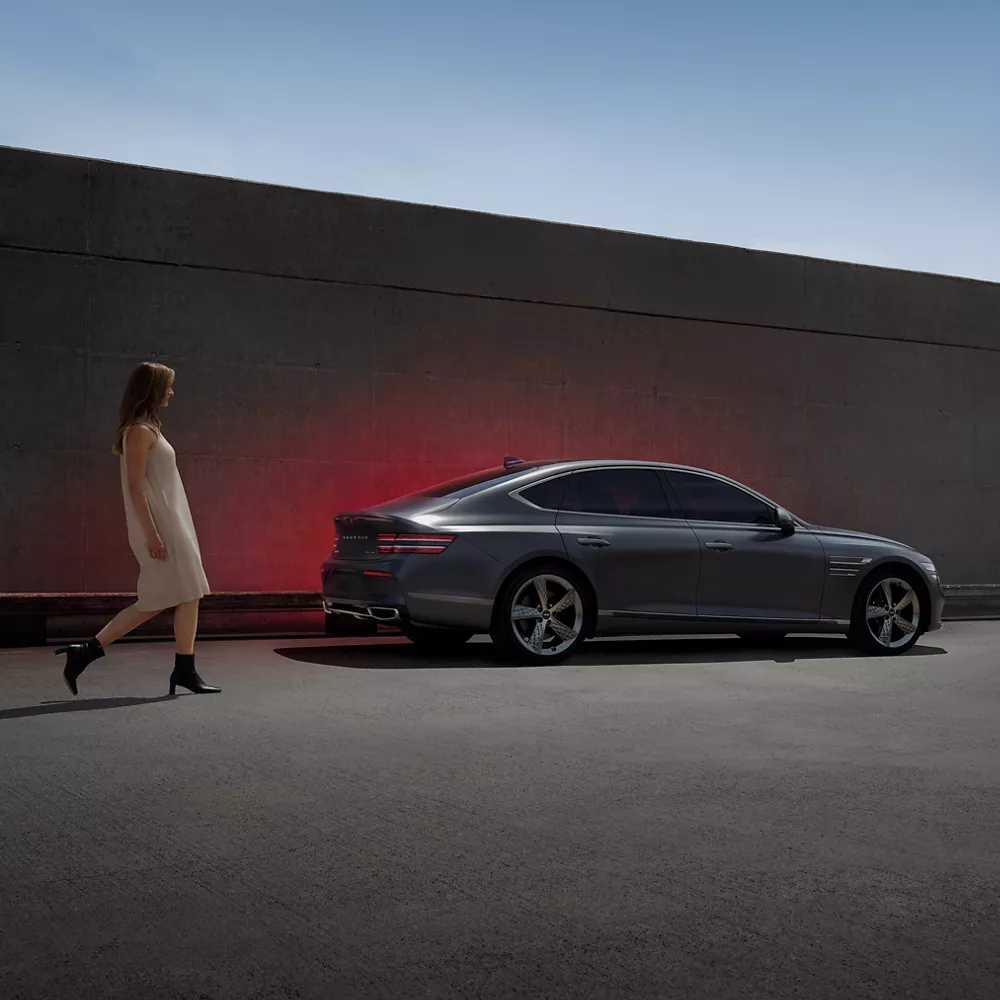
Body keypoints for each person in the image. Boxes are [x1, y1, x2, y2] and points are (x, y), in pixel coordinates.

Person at [55, 362, 220, 697]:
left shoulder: (150, 428)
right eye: (168, 386)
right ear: (152, 389)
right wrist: (152, 534)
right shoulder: (139, 432)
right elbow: (134, 486)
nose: (172, 392)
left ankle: (177, 667)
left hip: (171, 524)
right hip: (162, 528)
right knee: (170, 597)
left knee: (178, 596)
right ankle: (92, 652)